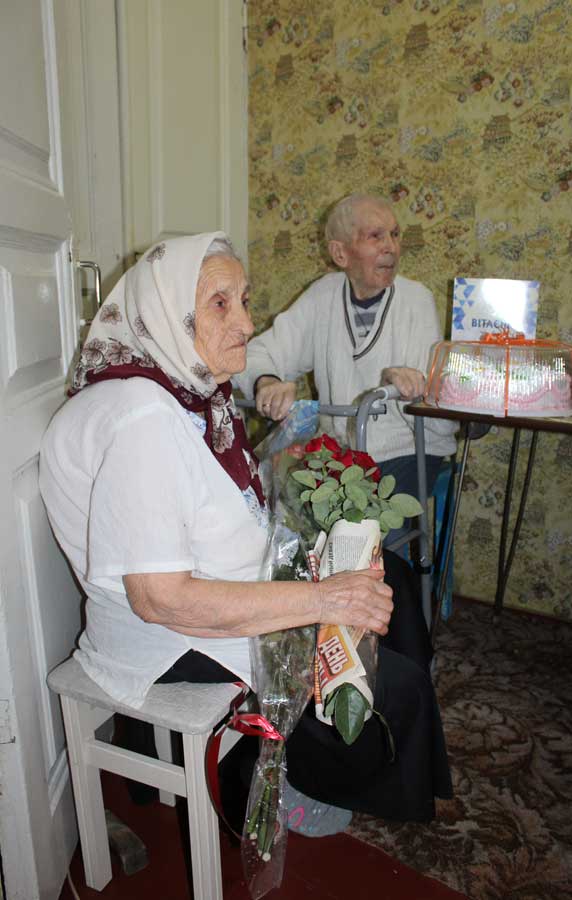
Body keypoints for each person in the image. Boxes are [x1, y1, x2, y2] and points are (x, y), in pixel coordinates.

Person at [40, 232, 451, 828]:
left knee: (398, 584)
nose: (247, 323)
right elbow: (160, 599)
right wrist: (320, 598)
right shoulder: (140, 417)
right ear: (166, 312)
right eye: (220, 303)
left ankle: (337, 752)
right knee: (400, 685)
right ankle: (308, 771)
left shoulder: (182, 393)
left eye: (245, 300)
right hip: (172, 635)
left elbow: (210, 507)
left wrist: (310, 569)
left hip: (213, 584)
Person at [235, 193, 457, 546]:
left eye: (395, 234)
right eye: (376, 236)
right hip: (339, 455)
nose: (391, 247)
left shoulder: (416, 300)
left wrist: (404, 385)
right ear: (340, 254)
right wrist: (268, 381)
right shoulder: (322, 296)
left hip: (407, 451)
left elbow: (436, 410)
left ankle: (386, 582)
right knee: (270, 514)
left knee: (365, 532)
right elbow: (258, 353)